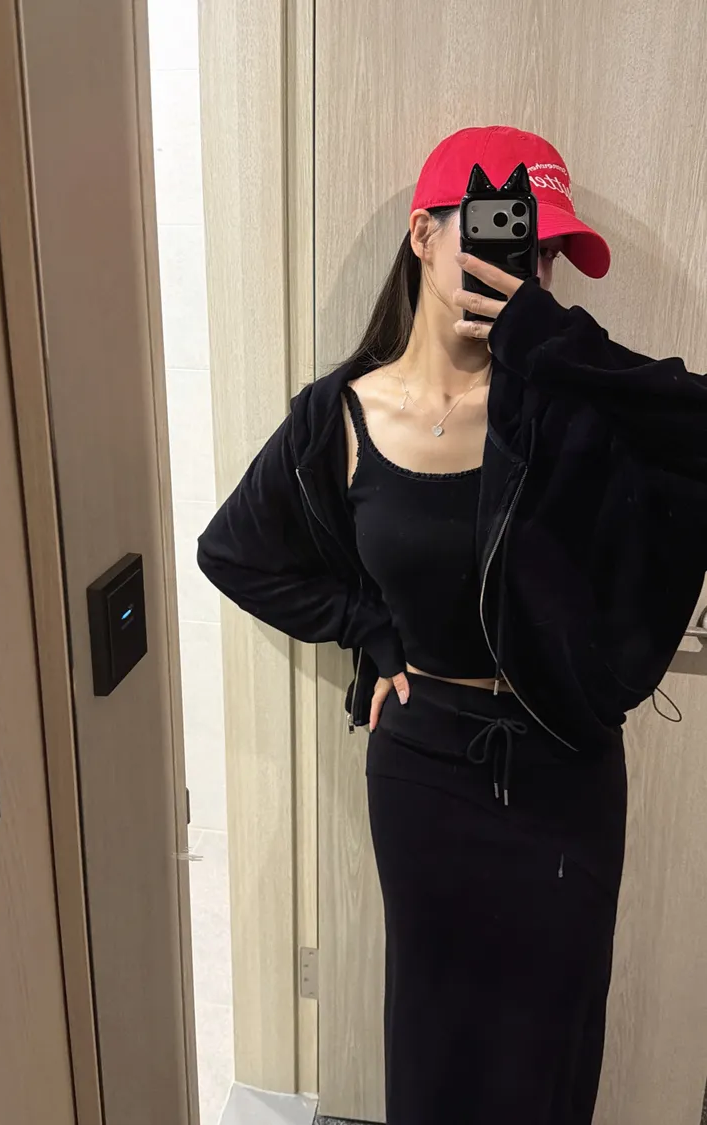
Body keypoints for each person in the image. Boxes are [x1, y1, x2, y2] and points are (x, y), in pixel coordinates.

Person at [197, 125, 707, 1125]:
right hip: (424, 769)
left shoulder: (568, 408)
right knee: (437, 1048)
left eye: (544, 253)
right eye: (504, 235)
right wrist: (365, 623)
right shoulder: (339, 417)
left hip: (566, 770)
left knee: (550, 1052)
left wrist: (552, 344)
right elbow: (235, 552)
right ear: (425, 234)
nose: (526, 268)